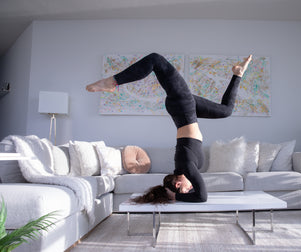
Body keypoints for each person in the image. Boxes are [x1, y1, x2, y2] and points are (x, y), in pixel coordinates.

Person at [86, 53, 252, 203]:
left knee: (156, 60)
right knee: (226, 111)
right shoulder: (183, 168)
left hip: (183, 108)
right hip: (187, 111)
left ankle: (112, 82)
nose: (190, 189)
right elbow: (195, 193)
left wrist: (174, 195)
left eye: (186, 189)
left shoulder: (186, 166)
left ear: (178, 183)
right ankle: (238, 73)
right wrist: (173, 193)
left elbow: (202, 197)